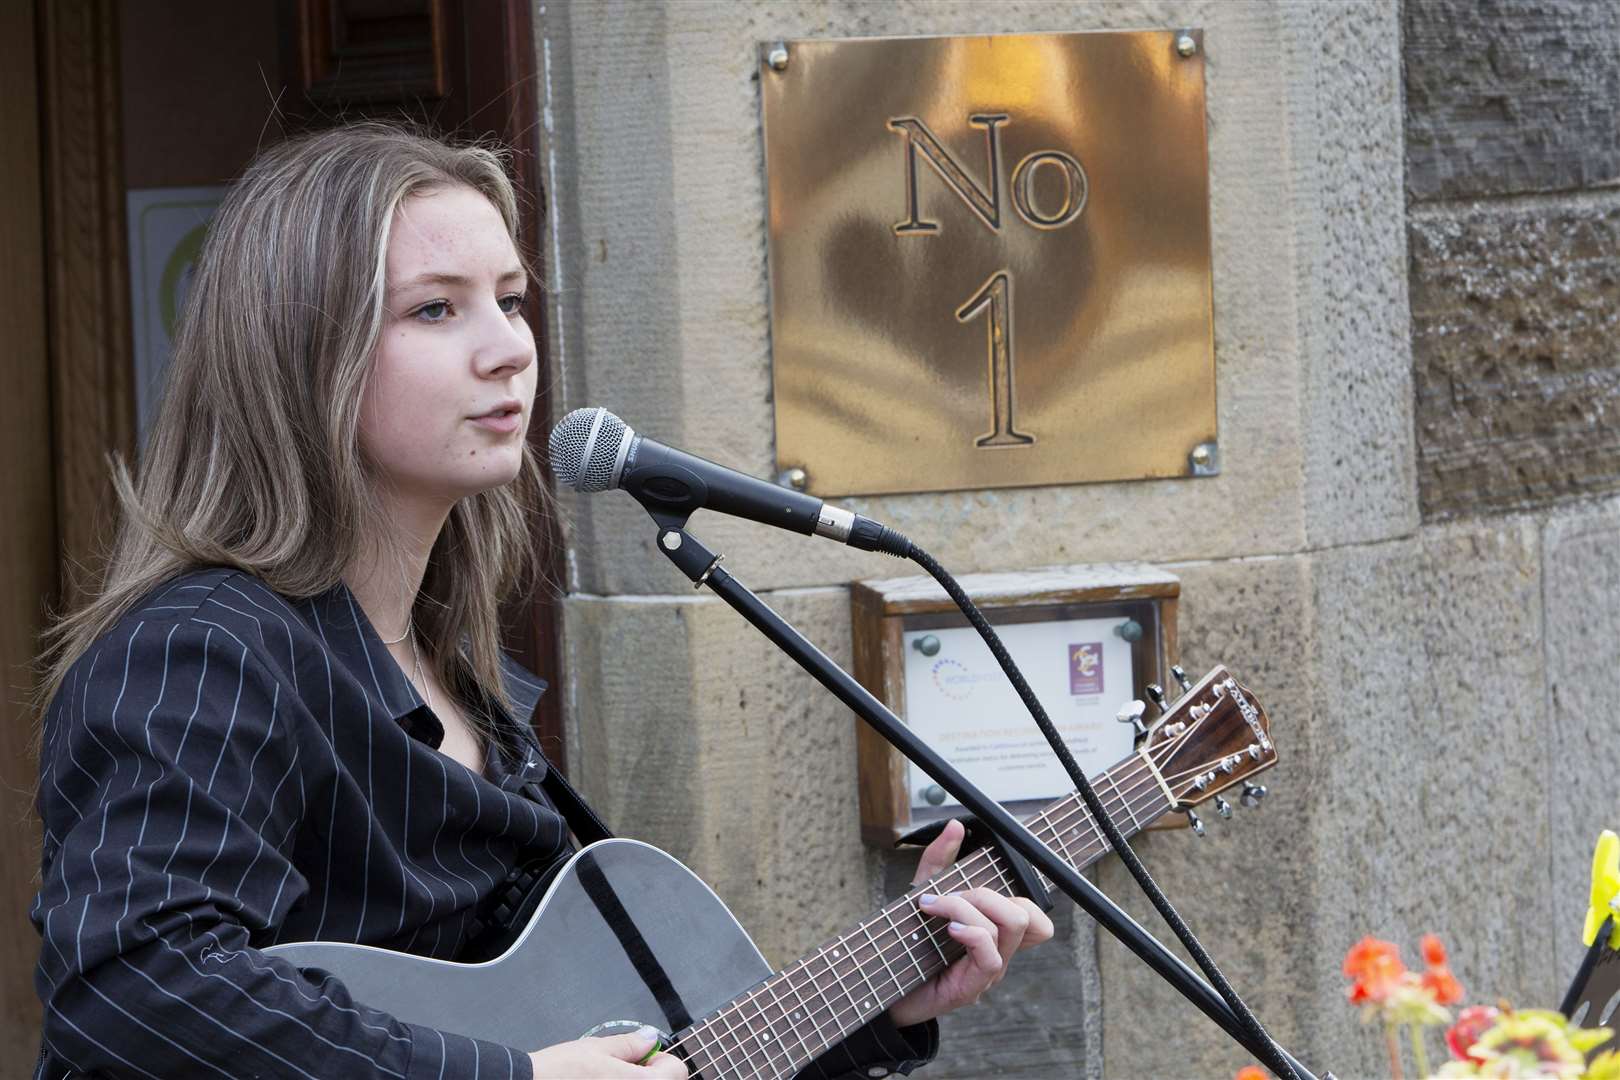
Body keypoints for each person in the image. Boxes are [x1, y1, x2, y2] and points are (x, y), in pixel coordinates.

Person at [29, 124, 1053, 1080]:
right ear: (301, 358)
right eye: (437, 308)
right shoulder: (202, 651)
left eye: (511, 300)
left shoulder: (459, 678)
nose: (510, 347)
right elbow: (131, 983)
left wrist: (887, 1006)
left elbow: (645, 1054)